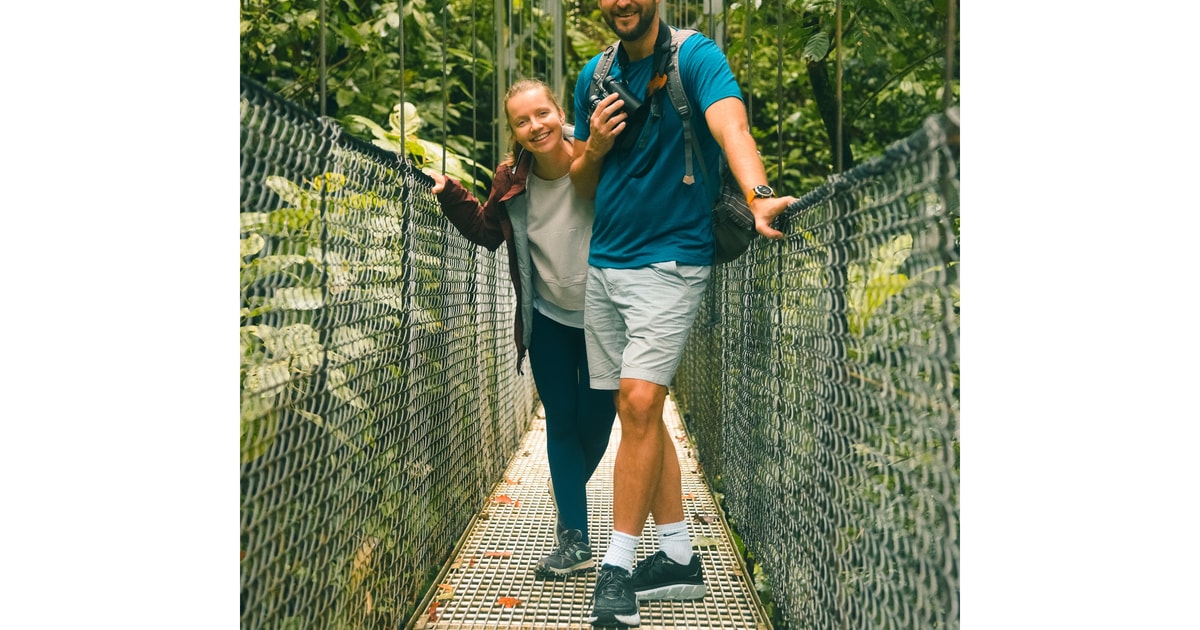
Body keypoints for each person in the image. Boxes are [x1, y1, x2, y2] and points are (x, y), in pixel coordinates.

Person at [568, 1, 796, 626]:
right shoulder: (593, 75)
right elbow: (583, 183)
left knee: (638, 404)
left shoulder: (696, 56)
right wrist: (595, 146)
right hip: (607, 260)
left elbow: (732, 128)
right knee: (640, 407)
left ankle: (615, 568)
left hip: (672, 260)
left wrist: (761, 196)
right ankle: (676, 557)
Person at [428, 78, 617, 579]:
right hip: (549, 316)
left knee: (596, 424)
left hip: (606, 316)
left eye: (542, 114)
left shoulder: (601, 152)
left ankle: (569, 499)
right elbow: (489, 233)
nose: (535, 126)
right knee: (560, 417)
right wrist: (452, 195)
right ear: (513, 130)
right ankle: (574, 536)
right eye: (522, 121)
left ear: (560, 111)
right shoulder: (512, 177)